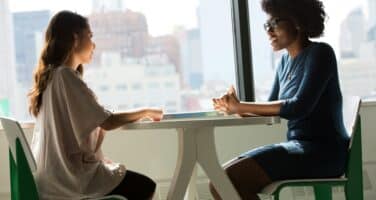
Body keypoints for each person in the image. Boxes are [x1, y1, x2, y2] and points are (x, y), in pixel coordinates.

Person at [210, 0, 349, 199]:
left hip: (324, 153)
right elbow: (271, 111)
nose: (269, 31)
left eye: (275, 23)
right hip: (298, 148)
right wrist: (234, 108)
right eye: (267, 25)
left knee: (225, 183)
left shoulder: (321, 53)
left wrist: (240, 106)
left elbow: (298, 107)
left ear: (297, 22)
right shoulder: (284, 62)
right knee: (220, 183)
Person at [28, 10, 163, 200]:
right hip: (70, 180)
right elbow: (106, 121)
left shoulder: (50, 78)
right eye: (90, 36)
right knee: (145, 186)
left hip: (50, 179)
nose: (94, 44)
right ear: (75, 38)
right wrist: (146, 111)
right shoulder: (65, 76)